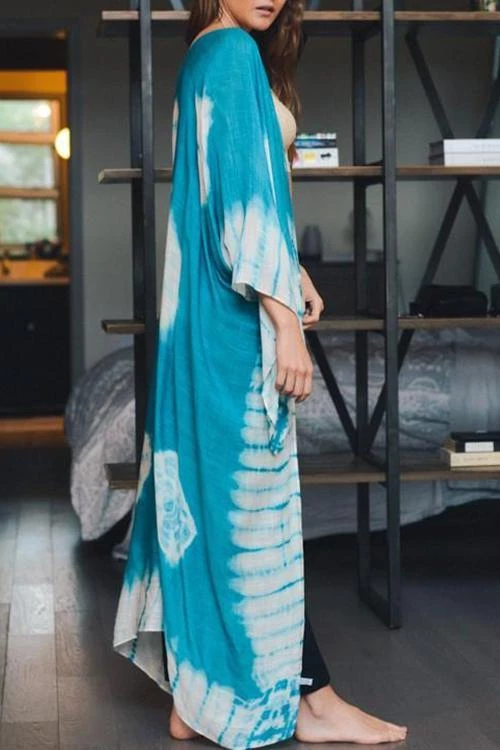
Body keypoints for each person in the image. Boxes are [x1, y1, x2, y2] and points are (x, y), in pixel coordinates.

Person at [112, 0, 408, 746]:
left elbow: (237, 192)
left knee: (219, 510)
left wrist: (294, 269)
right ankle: (305, 702)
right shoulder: (231, 55)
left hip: (202, 316)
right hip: (233, 320)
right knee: (256, 519)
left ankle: (199, 693)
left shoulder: (204, 56)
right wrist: (286, 327)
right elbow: (239, 208)